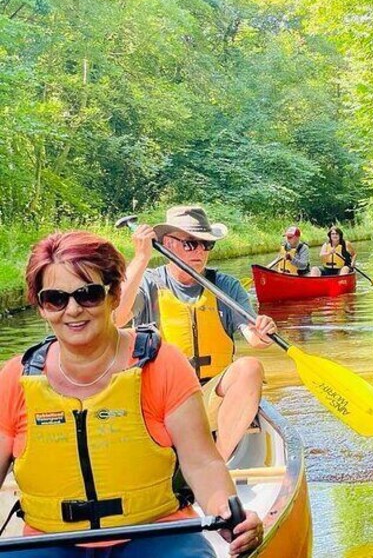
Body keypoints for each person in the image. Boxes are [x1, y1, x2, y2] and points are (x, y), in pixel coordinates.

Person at [0, 231, 262, 557]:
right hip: (48, 540)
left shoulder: (161, 364)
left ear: (114, 295)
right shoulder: (15, 379)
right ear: (41, 306)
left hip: (158, 533)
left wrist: (226, 512)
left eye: (88, 294)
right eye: (55, 299)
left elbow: (203, 464)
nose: (72, 310)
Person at [114, 206, 277, 461]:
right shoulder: (147, 282)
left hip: (208, 398)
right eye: (191, 244)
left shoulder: (225, 286)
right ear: (167, 243)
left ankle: (218, 461)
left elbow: (254, 338)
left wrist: (264, 332)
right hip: (161, 404)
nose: (200, 251)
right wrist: (141, 258)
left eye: (206, 244)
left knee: (250, 368)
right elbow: (115, 318)